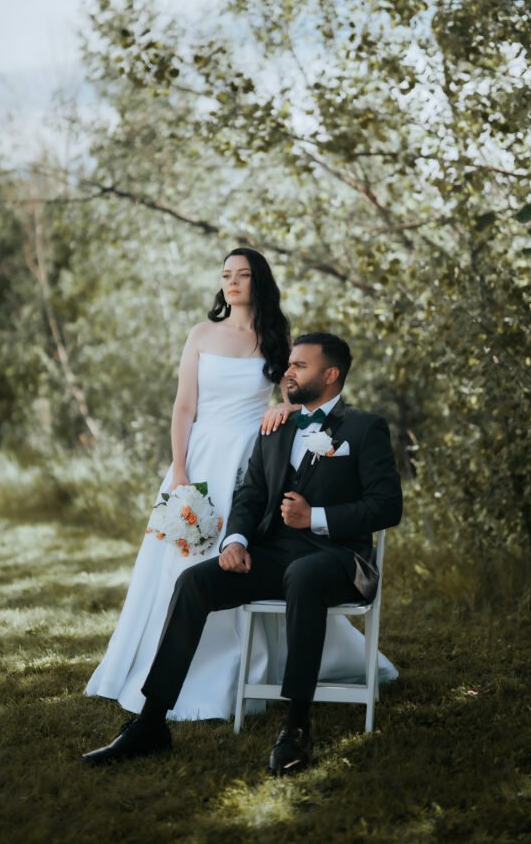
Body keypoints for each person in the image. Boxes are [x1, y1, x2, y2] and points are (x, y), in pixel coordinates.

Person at [85, 251, 397, 721]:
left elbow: (301, 391)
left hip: (255, 450)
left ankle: (250, 671)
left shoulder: (278, 339)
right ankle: (158, 690)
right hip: (202, 456)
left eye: (243, 275)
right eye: (226, 275)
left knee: (266, 550)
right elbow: (184, 405)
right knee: (186, 565)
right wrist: (180, 468)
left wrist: (285, 409)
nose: (232, 282)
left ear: (258, 281)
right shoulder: (201, 334)